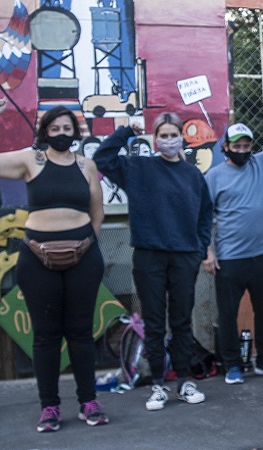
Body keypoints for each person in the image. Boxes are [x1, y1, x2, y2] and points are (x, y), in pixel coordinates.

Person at [0, 99, 107, 431]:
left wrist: (87, 242)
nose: (61, 133)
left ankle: (89, 402)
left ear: (75, 132)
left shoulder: (86, 165)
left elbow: (97, 209)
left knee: (81, 333)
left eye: (67, 129)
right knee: (45, 336)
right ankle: (49, 407)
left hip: (83, 258)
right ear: (45, 131)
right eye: (54, 128)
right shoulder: (31, 159)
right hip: (38, 258)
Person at [94, 112, 212, 412]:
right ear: (154, 138)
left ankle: (185, 381)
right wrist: (125, 132)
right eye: (163, 135)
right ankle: (158, 385)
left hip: (185, 256)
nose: (169, 140)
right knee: (154, 323)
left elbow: (205, 216)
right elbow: (102, 159)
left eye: (174, 135)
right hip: (149, 255)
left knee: (182, 321)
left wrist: (199, 249)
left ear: (181, 138)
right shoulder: (139, 167)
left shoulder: (193, 175)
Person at [203, 96, 263, 385]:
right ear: (226, 147)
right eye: (236, 146)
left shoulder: (261, 162)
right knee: (228, 315)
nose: (242, 150)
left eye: (246, 145)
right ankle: (231, 365)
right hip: (229, 260)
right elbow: (202, 218)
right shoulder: (213, 176)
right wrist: (208, 252)